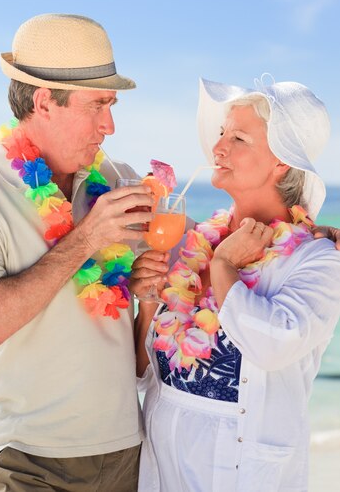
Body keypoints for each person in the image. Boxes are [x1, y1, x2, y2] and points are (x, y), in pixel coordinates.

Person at [0, 13, 155, 492]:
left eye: (111, 105)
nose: (111, 125)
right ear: (44, 102)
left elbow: (199, 252)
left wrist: (300, 227)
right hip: (26, 459)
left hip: (125, 452)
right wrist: (87, 238)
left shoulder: (120, 181)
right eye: (98, 105)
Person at [131, 76, 340, 492]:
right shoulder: (189, 244)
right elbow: (141, 373)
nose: (218, 148)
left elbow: (273, 343)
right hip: (160, 469)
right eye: (222, 133)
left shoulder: (316, 258)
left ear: (282, 161)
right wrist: (149, 306)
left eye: (238, 138)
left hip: (239, 475)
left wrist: (225, 265)